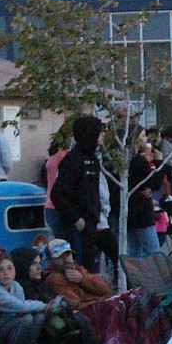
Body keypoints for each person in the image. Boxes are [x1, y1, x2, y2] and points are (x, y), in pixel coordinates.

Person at [51, 116, 104, 271]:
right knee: (79, 267)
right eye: (98, 132)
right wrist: (76, 218)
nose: (102, 135)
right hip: (77, 226)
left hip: (91, 223)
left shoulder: (93, 159)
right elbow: (58, 194)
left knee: (90, 266)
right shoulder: (73, 159)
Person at [43, 239, 112, 311]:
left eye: (68, 254)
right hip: (85, 316)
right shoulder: (54, 278)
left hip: (97, 307)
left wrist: (82, 279)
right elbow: (77, 306)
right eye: (60, 257)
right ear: (50, 260)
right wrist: (103, 301)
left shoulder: (77, 268)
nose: (66, 260)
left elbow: (106, 289)